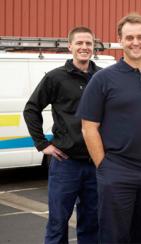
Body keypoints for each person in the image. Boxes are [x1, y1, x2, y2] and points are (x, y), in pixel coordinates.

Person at [76, 13, 141, 244]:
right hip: (118, 172)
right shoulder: (102, 79)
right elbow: (88, 127)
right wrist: (103, 166)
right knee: (114, 236)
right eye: (129, 37)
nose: (135, 42)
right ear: (120, 40)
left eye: (140, 37)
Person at [23, 26, 100, 244]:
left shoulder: (103, 77)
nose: (84, 47)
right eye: (79, 43)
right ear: (70, 46)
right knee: (58, 222)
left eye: (88, 43)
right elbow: (31, 109)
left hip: (95, 164)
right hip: (65, 163)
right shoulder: (56, 78)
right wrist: (42, 144)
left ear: (93, 47)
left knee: (92, 222)